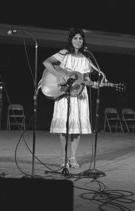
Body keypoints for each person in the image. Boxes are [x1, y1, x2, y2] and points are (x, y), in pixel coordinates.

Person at [42, 27, 107, 168]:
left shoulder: (86, 58)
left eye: (81, 38)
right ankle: (64, 157)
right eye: (75, 38)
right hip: (65, 93)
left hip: (80, 94)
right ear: (71, 40)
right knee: (65, 127)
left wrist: (96, 85)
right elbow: (46, 62)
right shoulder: (64, 54)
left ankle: (72, 158)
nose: (78, 40)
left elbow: (87, 79)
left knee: (77, 129)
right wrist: (59, 75)